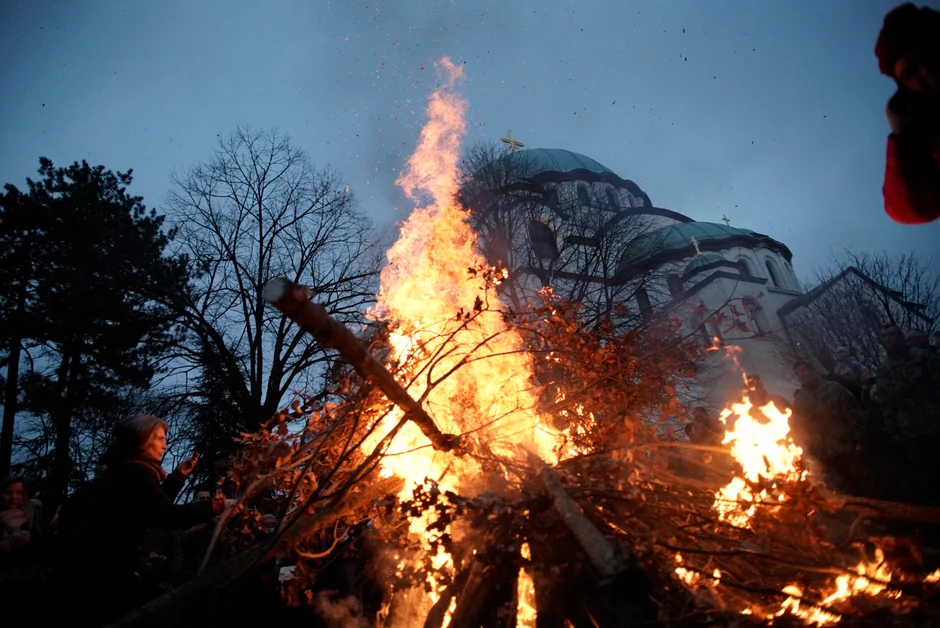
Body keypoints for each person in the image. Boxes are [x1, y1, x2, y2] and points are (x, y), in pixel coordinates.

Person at [58, 414, 232, 625]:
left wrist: (177, 478)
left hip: (93, 568)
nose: (165, 445)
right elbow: (166, 516)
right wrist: (216, 506)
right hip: (101, 572)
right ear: (140, 440)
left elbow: (150, 506)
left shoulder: (125, 471)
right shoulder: (134, 473)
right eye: (159, 438)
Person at [874, 3, 940, 224]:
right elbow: (914, 208)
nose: (925, 70)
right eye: (909, 71)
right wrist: (903, 138)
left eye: (929, 53)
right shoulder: (928, 135)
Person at [869, 324, 940, 503]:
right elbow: (886, 403)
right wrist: (893, 431)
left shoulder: (922, 357)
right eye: (884, 336)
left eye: (892, 334)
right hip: (911, 432)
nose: (888, 338)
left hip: (935, 424)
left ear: (900, 336)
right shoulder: (883, 370)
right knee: (926, 480)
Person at [791, 362, 867, 495]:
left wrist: (860, 441)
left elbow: (854, 415)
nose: (801, 375)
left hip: (848, 449)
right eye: (798, 374)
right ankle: (860, 515)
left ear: (813, 371)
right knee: (843, 492)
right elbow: (800, 427)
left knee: (866, 485)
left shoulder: (834, 389)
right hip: (825, 456)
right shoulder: (800, 400)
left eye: (803, 371)